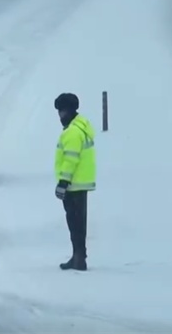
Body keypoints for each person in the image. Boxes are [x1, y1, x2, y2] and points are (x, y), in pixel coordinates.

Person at [53, 92, 96, 271]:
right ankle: (79, 256)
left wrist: (63, 182)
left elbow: (71, 159)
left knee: (75, 223)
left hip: (73, 185)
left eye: (62, 112)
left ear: (69, 111)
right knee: (79, 223)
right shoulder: (82, 126)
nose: (60, 116)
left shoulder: (72, 133)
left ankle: (79, 258)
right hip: (81, 184)